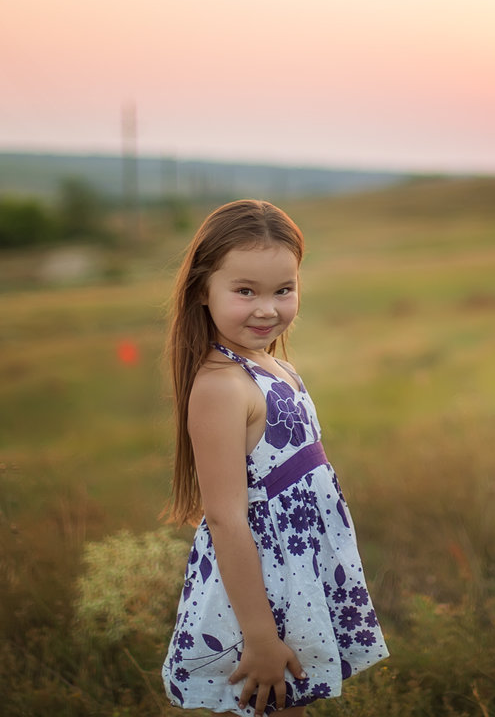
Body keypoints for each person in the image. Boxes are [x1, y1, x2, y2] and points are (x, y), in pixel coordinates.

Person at [161, 200, 388, 715]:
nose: (268, 309)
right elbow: (224, 517)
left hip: (296, 570)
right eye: (245, 291)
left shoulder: (267, 363)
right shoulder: (221, 387)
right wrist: (260, 636)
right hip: (260, 587)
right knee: (270, 700)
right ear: (203, 289)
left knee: (289, 702)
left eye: (283, 290)